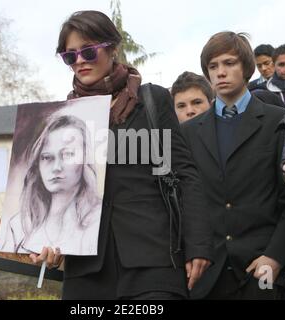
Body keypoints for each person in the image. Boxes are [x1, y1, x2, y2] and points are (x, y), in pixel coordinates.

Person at [30, 10, 213, 300]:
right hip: (87, 270)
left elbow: (184, 173)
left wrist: (199, 244)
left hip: (153, 261)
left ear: (112, 48)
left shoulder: (152, 100)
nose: (79, 61)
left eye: (88, 52)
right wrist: (48, 242)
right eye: (70, 56)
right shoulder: (63, 118)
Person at [180, 31, 285, 300]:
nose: (220, 72)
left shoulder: (280, 121)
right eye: (213, 66)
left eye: (229, 63)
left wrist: (277, 256)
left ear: (246, 67)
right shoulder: (188, 132)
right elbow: (186, 200)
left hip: (264, 271)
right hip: (208, 274)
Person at [0, 113, 102, 256]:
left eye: (67, 154)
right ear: (37, 163)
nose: (56, 167)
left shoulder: (98, 219)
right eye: (47, 157)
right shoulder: (19, 225)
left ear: (85, 159)